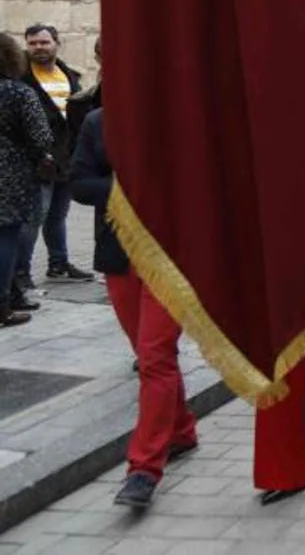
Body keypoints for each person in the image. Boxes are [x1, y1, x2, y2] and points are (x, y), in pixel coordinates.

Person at [70, 104, 199, 508]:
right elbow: (78, 183)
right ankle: (181, 431)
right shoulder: (97, 121)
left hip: (170, 258)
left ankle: (143, 469)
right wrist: (125, 192)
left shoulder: (180, 118)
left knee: (155, 355)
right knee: (148, 356)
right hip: (119, 255)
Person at [17, 23, 92, 286]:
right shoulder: (21, 78)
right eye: (33, 43)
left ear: (56, 44)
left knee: (58, 215)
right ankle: (21, 273)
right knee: (34, 217)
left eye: (44, 42)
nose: (39, 47)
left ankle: (58, 264)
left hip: (66, 158)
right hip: (36, 160)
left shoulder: (69, 75)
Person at [0, 34, 54, 326]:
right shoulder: (19, 93)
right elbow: (41, 137)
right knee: (7, 236)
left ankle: (13, 294)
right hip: (11, 176)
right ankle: (3, 304)